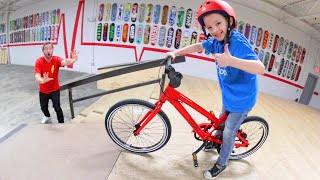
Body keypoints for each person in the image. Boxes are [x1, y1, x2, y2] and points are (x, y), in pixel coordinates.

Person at [165, 0, 265, 179]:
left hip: (242, 99)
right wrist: (176, 53)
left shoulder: (238, 43)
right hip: (229, 95)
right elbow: (198, 46)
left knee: (228, 132)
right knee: (220, 121)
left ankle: (222, 163)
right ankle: (214, 142)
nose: (214, 29)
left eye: (218, 23)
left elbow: (260, 68)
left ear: (229, 22)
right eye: (209, 27)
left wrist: (232, 61)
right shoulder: (216, 42)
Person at [34, 42, 78, 124]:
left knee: (57, 107)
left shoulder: (56, 59)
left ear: (53, 50)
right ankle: (47, 116)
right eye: (46, 48)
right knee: (43, 107)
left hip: (54, 89)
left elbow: (65, 62)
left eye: (50, 48)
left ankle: (61, 123)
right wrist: (42, 80)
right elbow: (37, 75)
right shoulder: (39, 61)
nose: (48, 50)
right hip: (43, 90)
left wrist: (73, 60)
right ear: (43, 51)